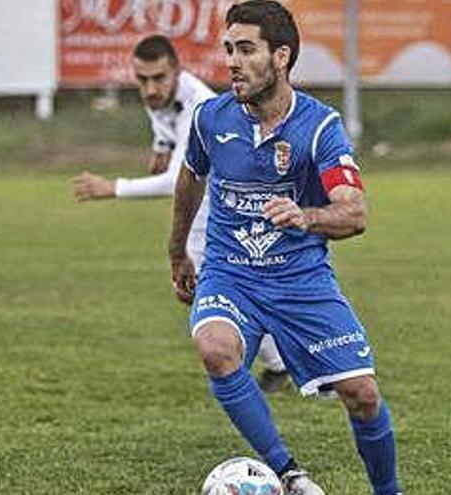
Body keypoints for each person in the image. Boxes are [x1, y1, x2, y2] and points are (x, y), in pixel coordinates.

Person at [168, 2, 401, 494]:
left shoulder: (320, 128)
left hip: (301, 280)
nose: (232, 61)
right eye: (229, 49)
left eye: (246, 50)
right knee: (214, 347)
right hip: (231, 273)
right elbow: (190, 177)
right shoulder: (211, 118)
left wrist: (307, 216)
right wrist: (177, 251)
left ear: (281, 57)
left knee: (362, 395)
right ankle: (290, 474)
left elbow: (354, 213)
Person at [73, 34, 289, 392]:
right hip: (207, 196)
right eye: (142, 79)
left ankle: (280, 362)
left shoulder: (198, 107)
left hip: (221, 196)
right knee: (213, 284)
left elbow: (177, 180)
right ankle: (280, 360)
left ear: (177, 71)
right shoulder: (158, 96)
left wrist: (113, 187)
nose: (150, 88)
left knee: (208, 285)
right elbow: (161, 124)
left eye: (158, 78)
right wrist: (160, 144)